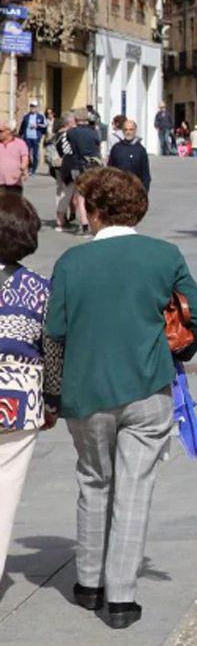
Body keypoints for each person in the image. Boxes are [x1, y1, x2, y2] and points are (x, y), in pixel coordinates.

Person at [46, 167, 197, 629]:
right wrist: (178, 350)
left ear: (93, 210)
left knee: (94, 479)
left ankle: (88, 582)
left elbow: (54, 332)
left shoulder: (71, 264)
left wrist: (52, 394)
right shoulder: (164, 255)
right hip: (147, 385)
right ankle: (121, 598)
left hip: (86, 390)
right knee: (135, 487)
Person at [0, 194, 63, 584]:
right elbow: (52, 346)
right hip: (18, 396)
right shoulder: (40, 289)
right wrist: (52, 400)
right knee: (6, 487)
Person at [108, 119, 151, 193]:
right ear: (123, 131)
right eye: (126, 129)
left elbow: (145, 174)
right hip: (118, 189)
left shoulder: (140, 150)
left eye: (131, 130)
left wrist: (144, 192)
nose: (128, 132)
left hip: (134, 190)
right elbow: (110, 169)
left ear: (135, 131)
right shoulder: (116, 148)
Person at [0, 120, 30, 194]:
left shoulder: (20, 143)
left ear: (8, 131)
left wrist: (22, 169)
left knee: (14, 204)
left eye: (1, 131)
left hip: (14, 183)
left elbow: (25, 158)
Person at [17, 101, 46, 174]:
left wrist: (37, 126)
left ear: (37, 108)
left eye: (34, 106)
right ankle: (29, 167)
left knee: (35, 154)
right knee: (27, 153)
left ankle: (34, 169)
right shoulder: (26, 116)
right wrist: (19, 135)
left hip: (36, 137)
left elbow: (45, 126)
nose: (32, 108)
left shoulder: (40, 116)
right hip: (27, 137)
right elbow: (22, 126)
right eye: (31, 106)